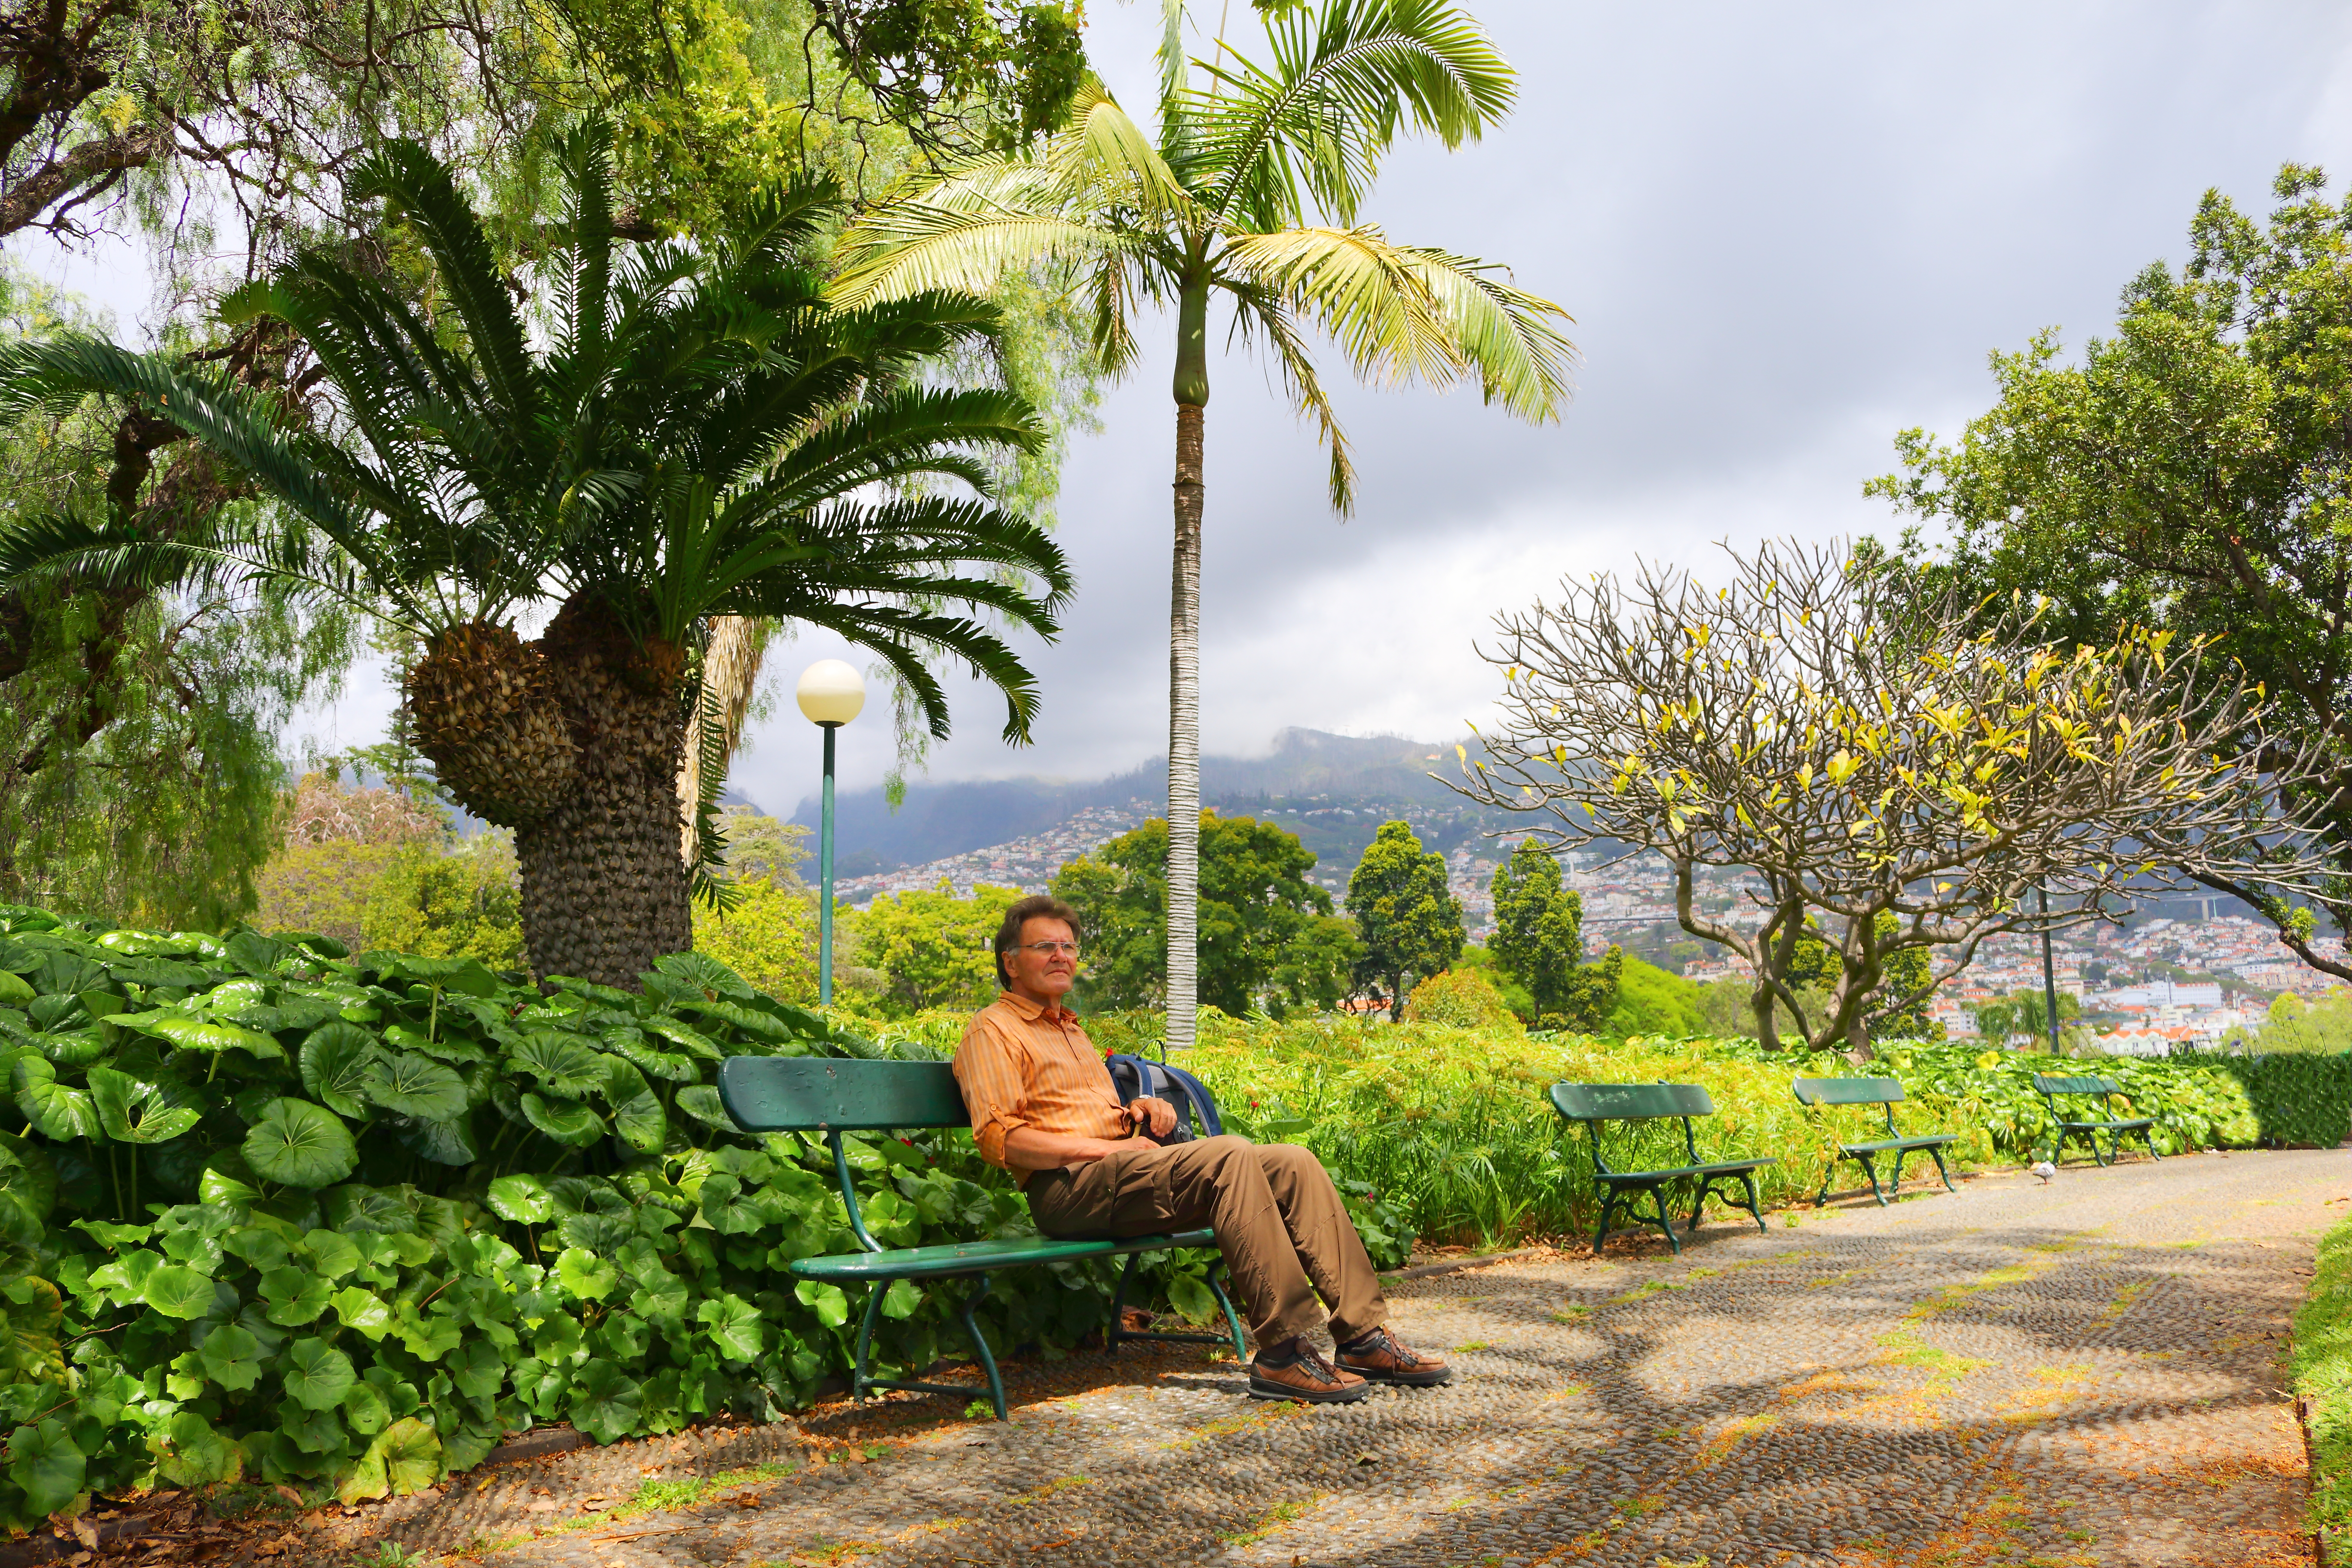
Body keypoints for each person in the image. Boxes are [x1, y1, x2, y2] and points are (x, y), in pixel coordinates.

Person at [951, 893, 1451, 1404]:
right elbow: (1000, 1138)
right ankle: (1283, 1354)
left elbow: (1078, 1111)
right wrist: (1099, 1151)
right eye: (1045, 947)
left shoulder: (1071, 1030)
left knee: (1292, 1162)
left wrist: (1139, 1109)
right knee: (1229, 1155)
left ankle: (1363, 1339)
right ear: (1011, 963)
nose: (1061, 955)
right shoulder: (993, 1030)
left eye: (1068, 946)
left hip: (1123, 1173)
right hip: (1069, 1190)